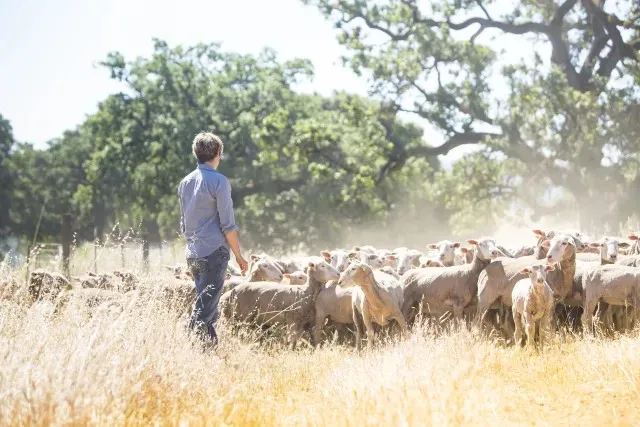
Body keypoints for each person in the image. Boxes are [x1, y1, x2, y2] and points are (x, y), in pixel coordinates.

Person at [178, 132, 249, 348]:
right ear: (218, 154)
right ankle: (189, 348)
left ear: (196, 153)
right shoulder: (219, 181)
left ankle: (207, 354)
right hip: (213, 252)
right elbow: (228, 225)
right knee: (205, 311)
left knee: (205, 304)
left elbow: (184, 223)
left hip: (193, 253)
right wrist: (239, 256)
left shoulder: (185, 182)